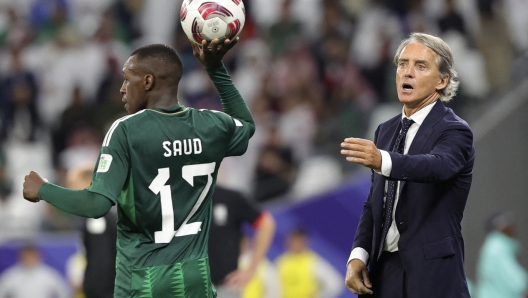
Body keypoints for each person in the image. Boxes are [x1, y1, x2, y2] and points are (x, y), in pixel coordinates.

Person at [22, 37, 255, 298]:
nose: (122, 88)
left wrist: (43, 189)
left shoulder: (126, 131)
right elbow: (246, 126)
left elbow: (96, 204)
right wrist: (215, 68)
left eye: (127, 79)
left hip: (143, 278)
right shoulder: (209, 125)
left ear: (147, 82)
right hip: (195, 276)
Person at [341, 32, 475, 297]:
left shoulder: (455, 130)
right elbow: (374, 203)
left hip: (432, 277)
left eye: (420, 66)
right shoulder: (386, 130)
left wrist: (383, 160)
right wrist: (358, 255)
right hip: (384, 275)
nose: (407, 72)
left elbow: (437, 166)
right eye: (403, 64)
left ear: (442, 81)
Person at [208, 185, 276, 297]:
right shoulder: (176, 198)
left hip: (223, 287)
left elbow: (266, 223)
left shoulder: (228, 198)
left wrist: (251, 269)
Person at [66, 163, 117, 298]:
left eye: (73, 184)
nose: (69, 189)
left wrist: (95, 290)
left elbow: (101, 259)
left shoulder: (96, 215)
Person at [276, 227, 344, 298]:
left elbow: (335, 284)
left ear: (305, 242)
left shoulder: (313, 262)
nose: (295, 244)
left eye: (298, 241)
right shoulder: (281, 262)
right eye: (293, 240)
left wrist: (317, 295)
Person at [475, 211, 528, 298]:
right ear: (500, 227)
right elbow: (516, 282)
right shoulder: (497, 248)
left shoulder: (494, 246)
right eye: (508, 224)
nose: (513, 227)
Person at [0, 244, 71, 298]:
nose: (29, 258)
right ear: (21, 256)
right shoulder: (11, 275)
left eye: (31, 255)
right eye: (26, 256)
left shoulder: (49, 274)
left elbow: (64, 292)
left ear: (38, 256)